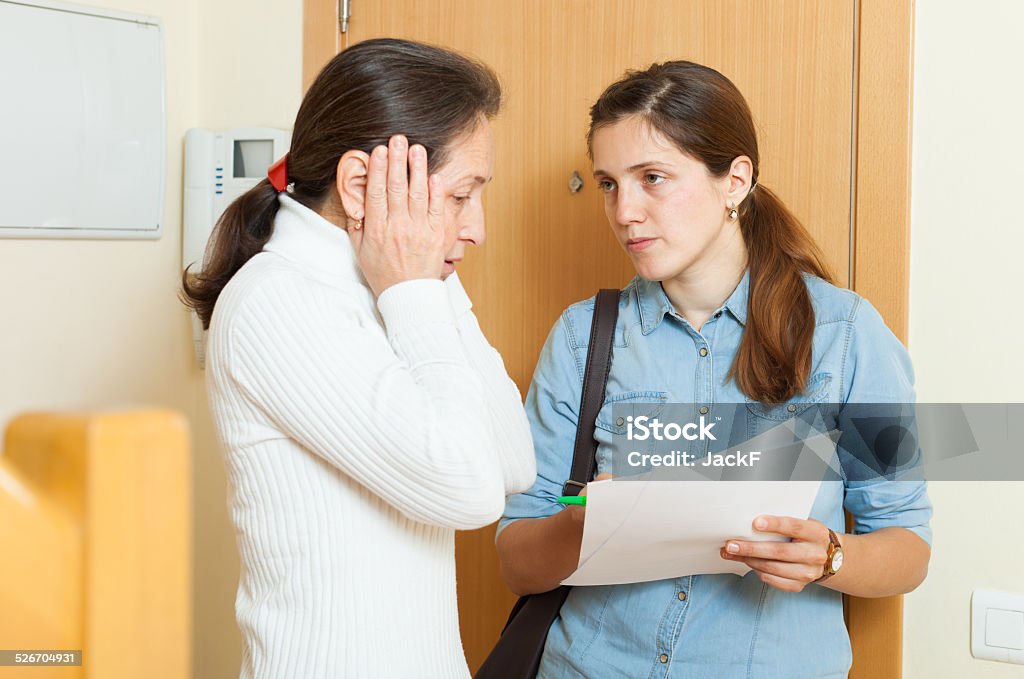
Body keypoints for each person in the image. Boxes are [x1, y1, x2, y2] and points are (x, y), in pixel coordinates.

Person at [495, 61, 932, 678]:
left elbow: (907, 545)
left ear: (735, 181)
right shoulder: (581, 338)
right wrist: (584, 522)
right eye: (609, 184)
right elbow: (517, 559)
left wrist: (830, 558)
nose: (625, 212)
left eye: (653, 178)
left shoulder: (846, 335)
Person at [181, 38, 536, 679]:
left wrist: (431, 283)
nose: (477, 226)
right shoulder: (277, 301)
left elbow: (512, 461)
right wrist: (416, 288)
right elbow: (470, 491)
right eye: (461, 196)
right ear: (359, 186)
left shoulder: (395, 290)